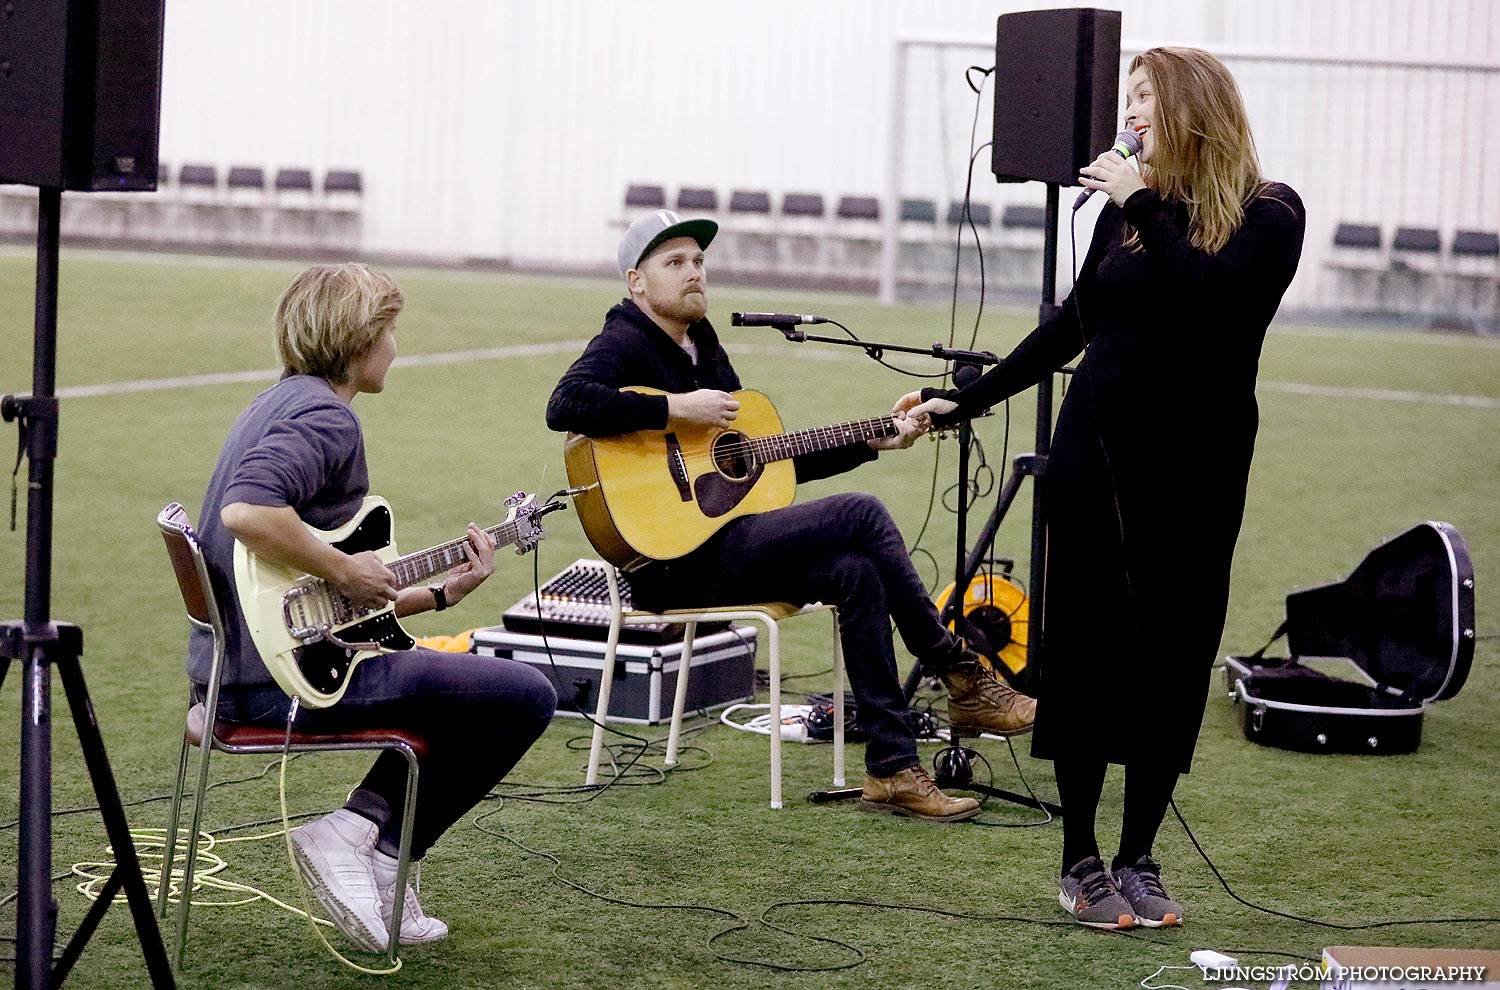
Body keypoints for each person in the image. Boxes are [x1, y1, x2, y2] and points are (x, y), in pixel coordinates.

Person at [900, 47, 1305, 929]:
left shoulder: (1268, 213)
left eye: (1144, 98)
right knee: (1086, 654)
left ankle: (1140, 856)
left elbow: (1216, 306)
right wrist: (964, 399)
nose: (1130, 114)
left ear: (1193, 109)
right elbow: (1075, 324)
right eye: (1128, 98)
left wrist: (1139, 201)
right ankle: (1081, 859)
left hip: (1195, 470)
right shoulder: (1123, 217)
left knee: (1170, 656)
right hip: (1098, 456)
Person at [546, 210, 1036, 823]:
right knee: (863, 514)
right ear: (636, 281)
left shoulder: (705, 344)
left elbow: (756, 469)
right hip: (670, 565)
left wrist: (871, 441)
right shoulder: (623, 339)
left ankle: (892, 770)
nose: (693, 273)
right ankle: (959, 671)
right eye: (674, 263)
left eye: (697, 261)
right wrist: (676, 408)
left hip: (725, 542)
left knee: (856, 571)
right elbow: (565, 403)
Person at [188, 263, 556, 952]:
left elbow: (319, 604)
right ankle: (366, 843)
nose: (396, 348)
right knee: (524, 695)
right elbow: (248, 511)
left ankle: (372, 846)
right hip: (274, 690)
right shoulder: (328, 418)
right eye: (389, 331)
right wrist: (341, 566)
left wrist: (443, 593)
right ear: (360, 340)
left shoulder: (276, 403)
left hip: (236, 676)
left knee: (461, 687)